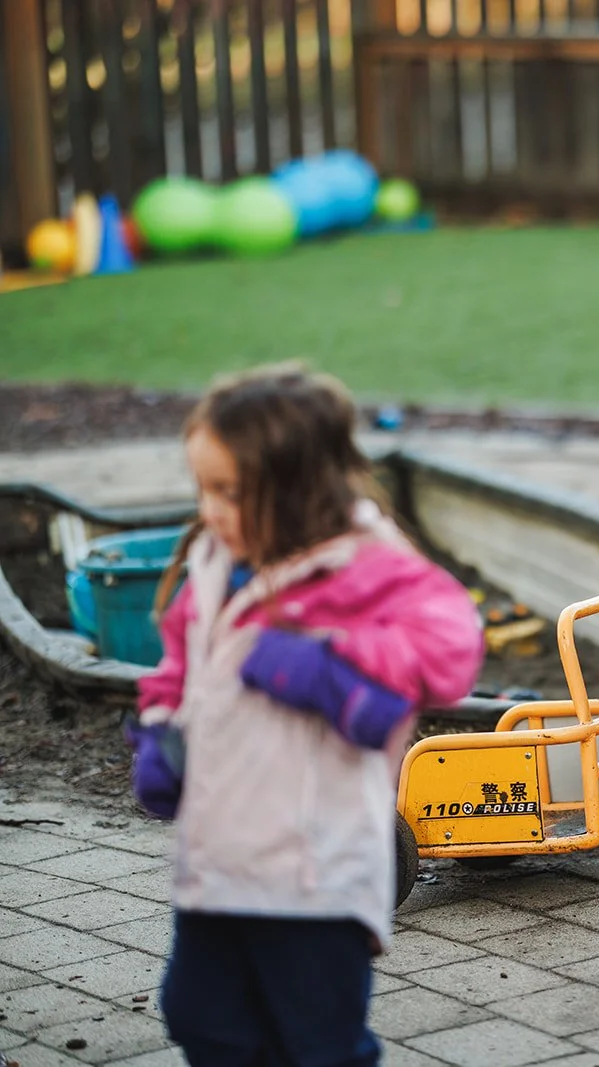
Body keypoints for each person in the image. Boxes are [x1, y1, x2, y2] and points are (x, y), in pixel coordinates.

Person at [125, 364, 485, 1063]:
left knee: (318, 1040)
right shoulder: (216, 555)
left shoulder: (363, 563)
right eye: (203, 487)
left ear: (294, 487)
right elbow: (179, 654)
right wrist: (159, 726)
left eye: (229, 491)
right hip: (220, 852)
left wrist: (327, 661)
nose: (210, 508)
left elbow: (452, 649)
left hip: (315, 864)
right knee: (201, 1016)